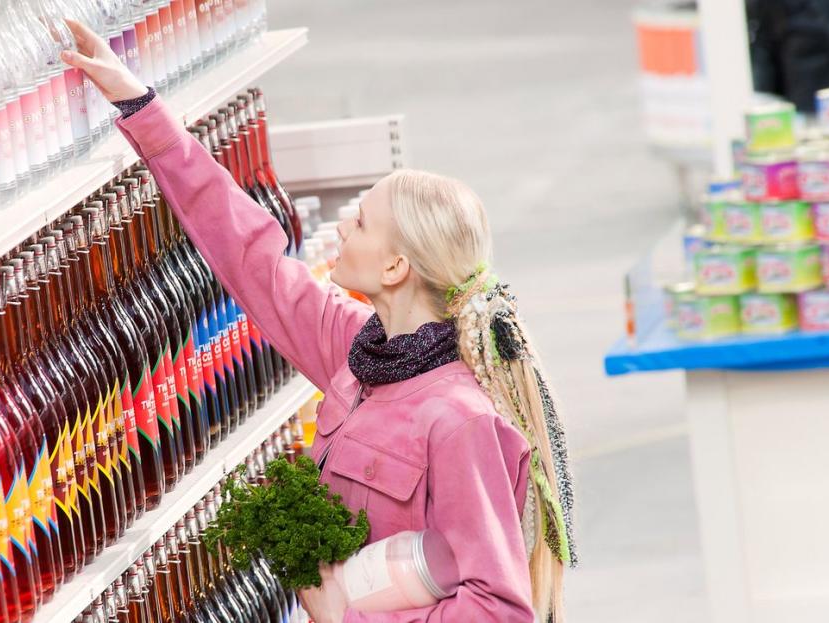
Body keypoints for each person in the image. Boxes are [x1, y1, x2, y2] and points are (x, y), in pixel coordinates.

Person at [60, 18, 577, 623]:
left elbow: (499, 610)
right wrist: (140, 107)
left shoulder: (460, 421)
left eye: (359, 222)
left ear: (395, 267)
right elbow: (248, 254)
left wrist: (345, 619)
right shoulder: (358, 355)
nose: (343, 231)